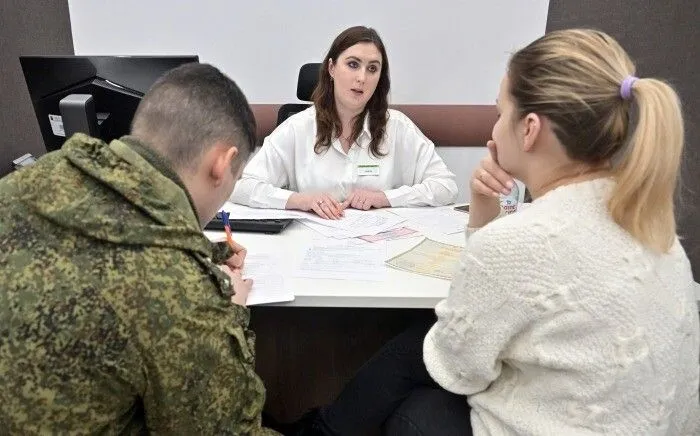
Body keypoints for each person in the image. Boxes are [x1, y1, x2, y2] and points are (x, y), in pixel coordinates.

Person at [286, 28, 700, 435]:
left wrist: (480, 232)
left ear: (529, 129)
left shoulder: (519, 238)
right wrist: (484, 218)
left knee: (415, 394)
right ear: (332, 70)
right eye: (353, 65)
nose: (495, 128)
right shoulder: (655, 231)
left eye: (501, 113)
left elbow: (456, 368)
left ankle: (322, 430)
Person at [0, 63, 279, 435]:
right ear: (221, 163)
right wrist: (231, 312)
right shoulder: (181, 294)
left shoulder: (25, 185)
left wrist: (201, 253)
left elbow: (95, 239)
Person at [230, 26, 458, 220]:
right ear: (331, 68)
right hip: (309, 244)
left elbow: (446, 187)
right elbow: (242, 186)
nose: (362, 78)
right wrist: (301, 200)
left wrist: (385, 198)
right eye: (353, 64)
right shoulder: (297, 128)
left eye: (372, 68)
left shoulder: (398, 127)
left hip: (380, 245)